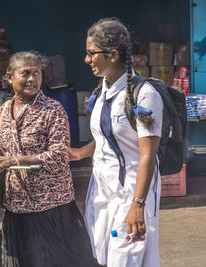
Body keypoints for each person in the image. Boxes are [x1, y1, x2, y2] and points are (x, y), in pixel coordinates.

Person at [0, 51, 99, 267]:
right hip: (15, 207)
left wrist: (13, 161)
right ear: (10, 77)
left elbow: (58, 156)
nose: (31, 79)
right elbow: (0, 148)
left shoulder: (52, 110)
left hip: (49, 208)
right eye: (25, 73)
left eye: (36, 73)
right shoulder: (3, 110)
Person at [67, 18, 163, 267]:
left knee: (125, 259)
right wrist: (80, 153)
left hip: (131, 195)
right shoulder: (102, 91)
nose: (87, 60)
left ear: (113, 55)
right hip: (101, 195)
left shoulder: (144, 95)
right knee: (104, 257)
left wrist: (137, 205)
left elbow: (147, 156)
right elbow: (107, 139)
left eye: (91, 53)